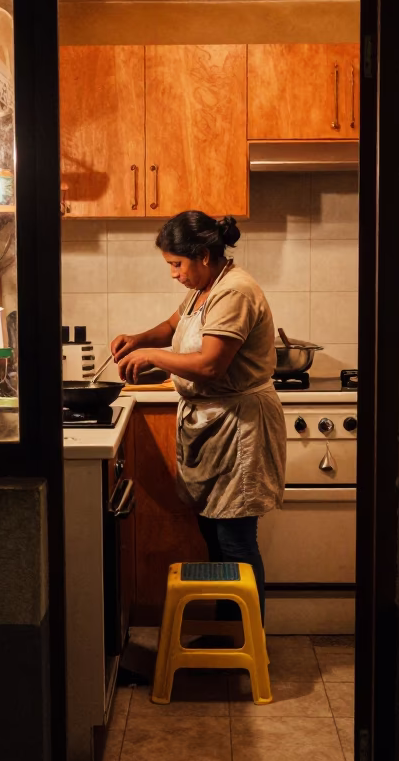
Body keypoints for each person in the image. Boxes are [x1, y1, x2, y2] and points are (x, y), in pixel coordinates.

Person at [112, 211, 285, 631]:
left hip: (239, 428)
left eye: (177, 264)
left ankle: (247, 645)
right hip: (213, 425)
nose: (173, 273)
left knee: (236, 543)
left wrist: (151, 356)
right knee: (214, 537)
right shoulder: (204, 288)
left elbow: (209, 366)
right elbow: (175, 325)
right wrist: (140, 338)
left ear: (204, 256)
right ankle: (229, 634)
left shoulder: (235, 292)